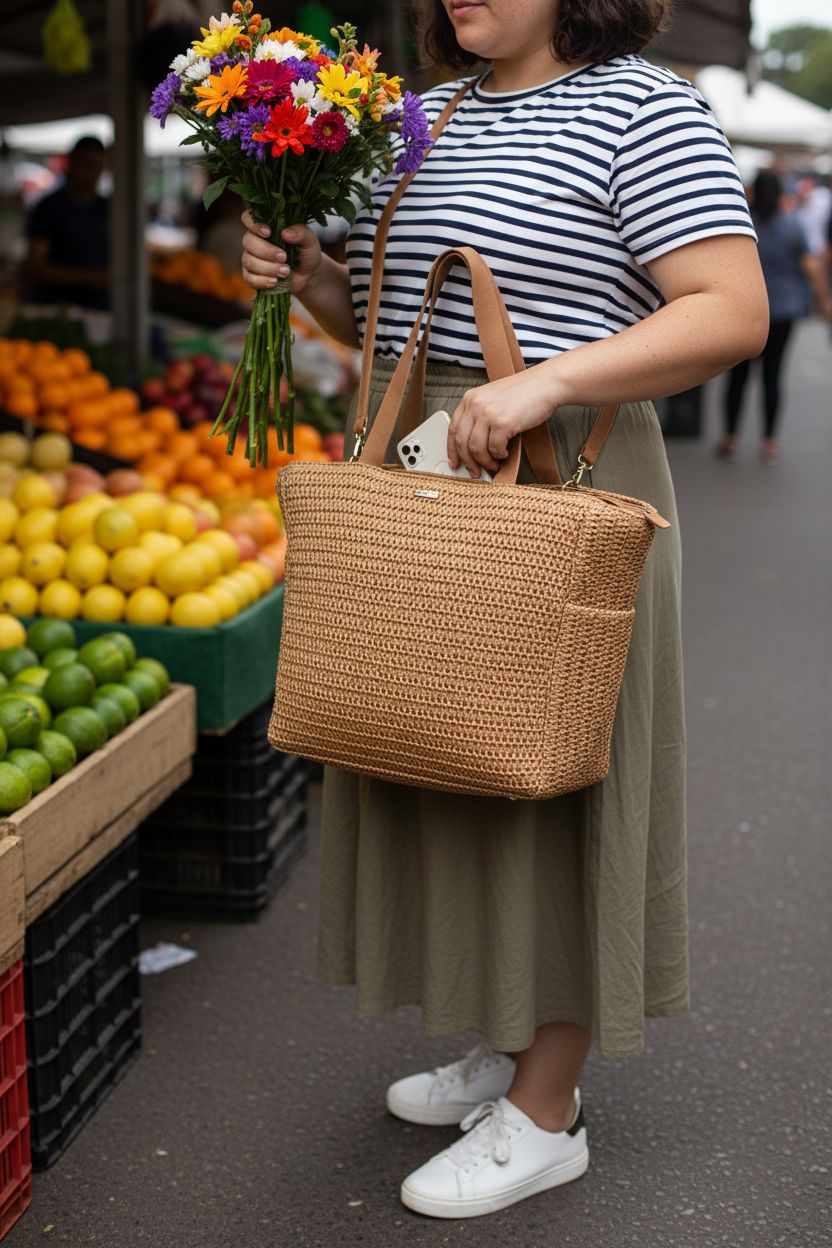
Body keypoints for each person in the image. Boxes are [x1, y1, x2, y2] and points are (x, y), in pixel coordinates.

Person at [242, 0, 769, 1220]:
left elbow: (727, 309)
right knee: (442, 752)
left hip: (567, 475)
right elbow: (390, 337)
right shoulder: (419, 122)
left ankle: (546, 1107)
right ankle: (506, 1035)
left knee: (557, 770)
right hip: (428, 466)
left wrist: (549, 382)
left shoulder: (644, 105)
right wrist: (315, 274)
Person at [718, 169, 830, 464]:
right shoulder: (792, 225)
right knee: (773, 376)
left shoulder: (742, 222)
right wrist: (824, 299)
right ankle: (769, 441)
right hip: (783, 310)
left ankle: (730, 437)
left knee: (738, 376)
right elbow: (810, 267)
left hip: (742, 310)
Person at [21, 135, 110, 309]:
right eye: (87, 165)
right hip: (53, 307)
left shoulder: (107, 208)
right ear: (72, 163)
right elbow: (35, 267)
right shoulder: (49, 207)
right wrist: (92, 278)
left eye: (98, 166)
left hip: (98, 308)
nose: (92, 172)